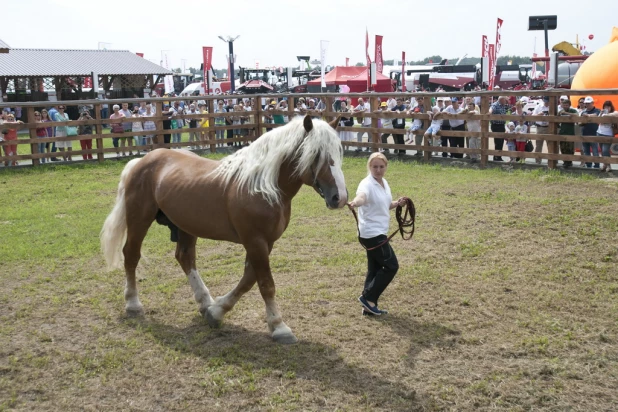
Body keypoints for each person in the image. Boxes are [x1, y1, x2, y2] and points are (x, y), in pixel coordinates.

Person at [347, 152, 406, 316]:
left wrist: (397, 203)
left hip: (378, 231)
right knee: (391, 266)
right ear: (369, 167)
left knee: (374, 268)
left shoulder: (384, 183)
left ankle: (369, 307)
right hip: (372, 234)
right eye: (375, 167)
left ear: (386, 167)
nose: (378, 170)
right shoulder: (366, 184)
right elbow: (362, 197)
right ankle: (368, 297)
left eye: (381, 167)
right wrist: (355, 202)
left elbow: (383, 205)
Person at [580, 96, 601, 168]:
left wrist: (587, 116)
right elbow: (579, 121)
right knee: (586, 151)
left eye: (589, 103)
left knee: (595, 151)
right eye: (586, 103)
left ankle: (597, 165)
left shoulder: (597, 110)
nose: (587, 105)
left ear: (592, 103)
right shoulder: (583, 111)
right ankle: (588, 165)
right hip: (584, 133)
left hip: (594, 134)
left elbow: (596, 115)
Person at [557, 98, 578, 169]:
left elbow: (576, 115)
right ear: (562, 105)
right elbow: (556, 120)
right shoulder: (560, 112)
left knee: (570, 149)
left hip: (570, 132)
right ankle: (565, 162)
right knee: (563, 148)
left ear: (569, 105)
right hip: (562, 132)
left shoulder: (572, 110)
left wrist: (566, 113)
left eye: (567, 105)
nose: (565, 106)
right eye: (564, 105)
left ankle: (569, 162)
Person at [597, 100, 617, 172]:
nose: (606, 108)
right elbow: (598, 122)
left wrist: (606, 115)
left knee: (606, 150)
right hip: (600, 132)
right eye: (605, 106)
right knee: (602, 150)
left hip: (608, 134)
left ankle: (608, 165)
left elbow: (615, 115)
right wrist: (601, 114)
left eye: (608, 106)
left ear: (611, 107)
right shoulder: (601, 113)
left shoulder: (614, 113)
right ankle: (605, 165)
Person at [488, 96, 509, 161]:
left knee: (501, 141)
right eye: (505, 100)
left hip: (501, 125)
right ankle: (496, 157)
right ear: (501, 100)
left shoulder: (502, 105)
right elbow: (491, 109)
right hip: (496, 125)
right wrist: (489, 112)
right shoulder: (495, 105)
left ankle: (498, 157)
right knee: (497, 141)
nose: (505, 101)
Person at [532, 97, 551, 164]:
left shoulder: (552, 107)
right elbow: (533, 116)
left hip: (549, 127)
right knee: (538, 145)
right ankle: (538, 161)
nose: (546, 103)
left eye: (548, 102)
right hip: (540, 127)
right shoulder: (538, 106)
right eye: (545, 101)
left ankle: (551, 161)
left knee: (550, 145)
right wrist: (539, 115)